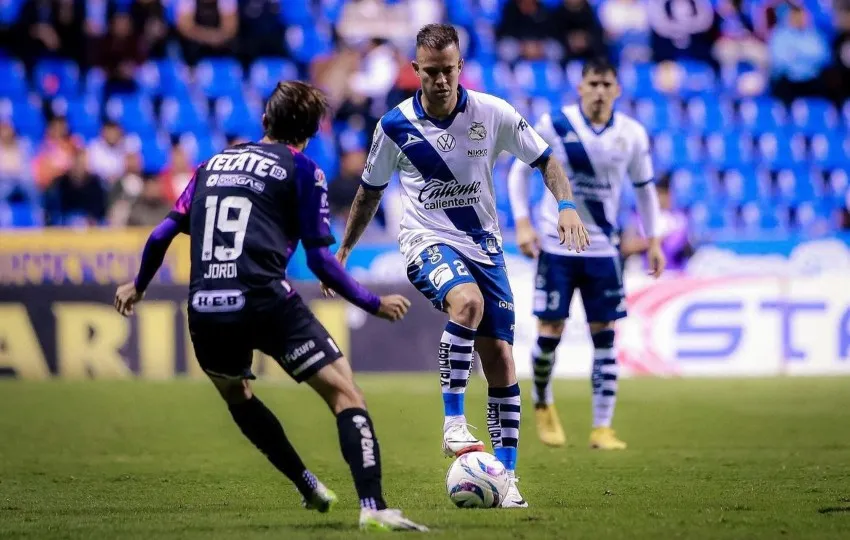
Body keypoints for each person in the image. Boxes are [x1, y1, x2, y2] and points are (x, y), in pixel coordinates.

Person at [113, 81, 427, 532]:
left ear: (265, 120)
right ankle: (373, 506)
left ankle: (306, 484)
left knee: (237, 394)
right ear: (312, 132)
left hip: (206, 306)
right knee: (344, 394)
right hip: (265, 299)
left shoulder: (210, 165)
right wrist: (372, 302)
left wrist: (139, 286)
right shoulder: (301, 170)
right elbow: (319, 258)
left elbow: (161, 235)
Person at [325, 24, 589, 508]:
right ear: (415, 71)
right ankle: (452, 423)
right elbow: (368, 193)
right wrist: (343, 251)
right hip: (426, 240)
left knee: (502, 362)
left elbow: (546, 160)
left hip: (484, 247)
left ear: (460, 66)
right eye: (431, 72)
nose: (441, 80)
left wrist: (566, 204)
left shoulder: (493, 113)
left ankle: (506, 479)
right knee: (464, 303)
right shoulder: (394, 127)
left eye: (448, 70)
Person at [507, 58, 665, 451]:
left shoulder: (631, 134)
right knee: (550, 332)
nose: (598, 90)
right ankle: (543, 402)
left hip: (604, 250)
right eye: (592, 83)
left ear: (617, 90)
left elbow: (645, 190)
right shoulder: (554, 124)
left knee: (605, 337)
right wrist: (523, 223)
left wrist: (654, 240)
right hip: (556, 245)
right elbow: (518, 172)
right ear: (580, 87)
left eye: (605, 84)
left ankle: (602, 428)